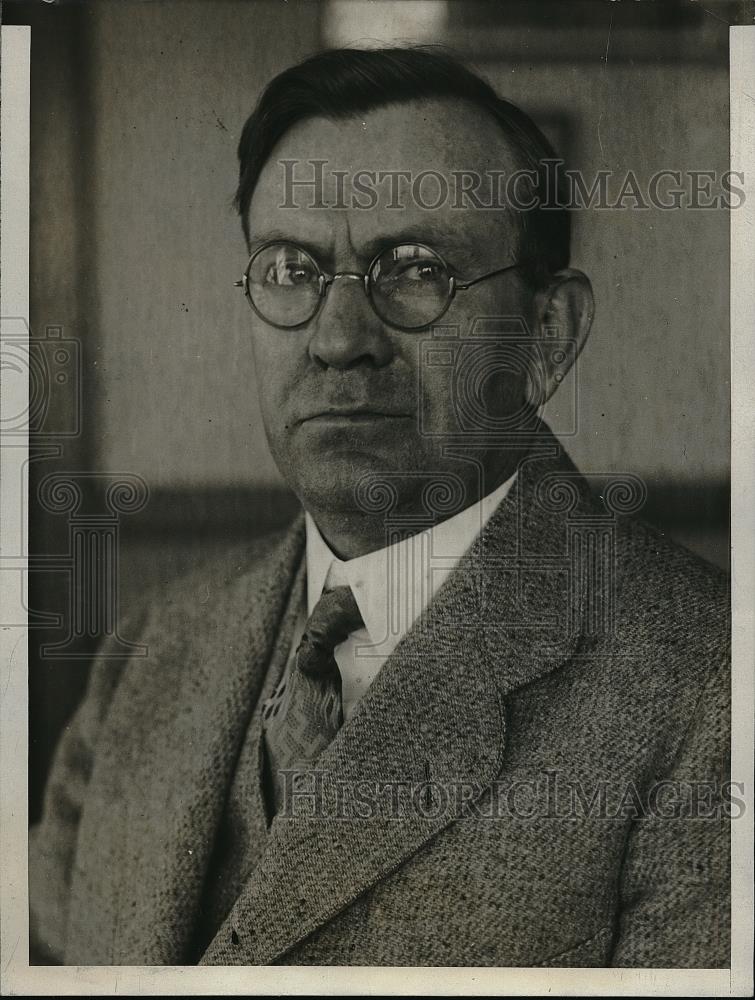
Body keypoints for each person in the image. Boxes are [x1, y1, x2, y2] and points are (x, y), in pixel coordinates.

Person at [30, 46, 730, 968]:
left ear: (546, 334)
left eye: (414, 270)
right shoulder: (153, 647)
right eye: (291, 269)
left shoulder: (713, 690)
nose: (337, 341)